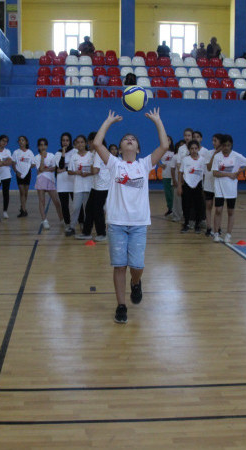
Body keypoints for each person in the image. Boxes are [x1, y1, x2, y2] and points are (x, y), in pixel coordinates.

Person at [91, 108, 169, 324]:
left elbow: (164, 146)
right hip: (116, 223)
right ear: (121, 147)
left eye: (133, 139)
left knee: (137, 266)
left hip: (138, 224)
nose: (129, 140)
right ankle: (121, 306)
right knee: (119, 266)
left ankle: (136, 283)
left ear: (138, 148)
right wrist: (107, 122)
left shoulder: (144, 165)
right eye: (125, 139)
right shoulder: (114, 163)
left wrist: (158, 121)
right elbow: (97, 144)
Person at [208, 134, 246, 244]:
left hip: (231, 189)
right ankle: (216, 233)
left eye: (228, 145)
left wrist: (238, 172)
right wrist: (229, 175)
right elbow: (215, 173)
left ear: (231, 145)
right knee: (218, 210)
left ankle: (228, 234)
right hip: (219, 187)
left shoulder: (236, 156)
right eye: (224, 145)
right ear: (222, 146)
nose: (226, 148)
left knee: (230, 211)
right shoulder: (217, 157)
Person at [77, 134, 112, 242]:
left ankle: (102, 233)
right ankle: (86, 232)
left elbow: (95, 170)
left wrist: (87, 171)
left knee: (97, 210)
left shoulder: (98, 153)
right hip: (96, 185)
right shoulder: (97, 153)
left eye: (89, 142)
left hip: (102, 186)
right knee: (89, 208)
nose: (88, 144)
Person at [33, 137, 64, 230]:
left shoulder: (51, 155)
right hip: (41, 179)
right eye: (41, 145)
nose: (43, 147)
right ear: (38, 146)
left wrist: (44, 169)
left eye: (44, 145)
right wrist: (42, 157)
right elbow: (40, 169)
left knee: (56, 201)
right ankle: (44, 220)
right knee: (42, 201)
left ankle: (62, 219)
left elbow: (54, 168)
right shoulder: (36, 157)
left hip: (50, 180)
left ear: (47, 146)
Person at [66, 135, 93, 236]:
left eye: (82, 142)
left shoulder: (91, 155)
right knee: (76, 207)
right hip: (78, 186)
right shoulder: (74, 156)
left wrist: (88, 173)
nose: (80, 144)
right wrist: (76, 172)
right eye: (78, 142)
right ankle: (72, 227)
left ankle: (87, 227)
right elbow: (69, 171)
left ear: (85, 143)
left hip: (89, 186)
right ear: (75, 144)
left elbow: (95, 170)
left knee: (88, 208)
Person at [177, 140, 206, 234]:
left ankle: (197, 225)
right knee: (186, 206)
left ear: (198, 149)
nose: (194, 150)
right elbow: (180, 172)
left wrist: (204, 187)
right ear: (189, 149)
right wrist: (179, 186)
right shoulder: (185, 160)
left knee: (198, 206)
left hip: (198, 185)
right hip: (187, 185)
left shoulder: (202, 160)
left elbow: (204, 174)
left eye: (195, 148)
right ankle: (186, 224)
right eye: (192, 148)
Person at [202, 134, 223, 236]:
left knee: (219, 208)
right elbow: (209, 167)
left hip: (219, 184)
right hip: (209, 183)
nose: (213, 143)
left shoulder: (225, 155)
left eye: (215, 141)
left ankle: (218, 227)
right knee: (208, 205)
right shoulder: (208, 153)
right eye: (213, 140)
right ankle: (209, 227)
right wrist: (215, 154)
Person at [55, 132, 76, 232]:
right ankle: (67, 223)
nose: (65, 142)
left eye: (67, 140)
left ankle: (80, 222)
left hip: (73, 182)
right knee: (64, 205)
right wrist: (63, 153)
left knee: (76, 204)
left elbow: (74, 167)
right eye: (63, 140)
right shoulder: (58, 153)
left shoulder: (75, 152)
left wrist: (64, 169)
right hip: (62, 183)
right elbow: (61, 165)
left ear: (70, 141)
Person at [0, 134, 14, 221]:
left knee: (6, 193)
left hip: (6, 175)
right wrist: (4, 162)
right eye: (2, 140)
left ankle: (5, 210)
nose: (4, 142)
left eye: (6, 141)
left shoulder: (7, 151)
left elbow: (10, 161)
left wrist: (1, 162)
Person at [12, 135, 35, 218]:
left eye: (23, 140)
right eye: (20, 140)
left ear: (26, 142)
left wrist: (28, 167)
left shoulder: (30, 152)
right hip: (19, 174)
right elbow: (13, 163)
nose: (21, 142)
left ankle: (23, 207)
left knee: (25, 192)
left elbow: (33, 164)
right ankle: (23, 210)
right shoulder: (16, 152)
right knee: (21, 192)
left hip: (27, 174)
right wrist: (16, 172)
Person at [157, 138, 177, 218]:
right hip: (165, 175)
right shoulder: (162, 151)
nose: (167, 141)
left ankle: (176, 210)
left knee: (174, 194)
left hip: (174, 176)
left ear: (171, 141)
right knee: (168, 194)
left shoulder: (174, 152)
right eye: (166, 140)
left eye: (168, 140)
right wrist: (160, 165)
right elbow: (156, 158)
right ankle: (170, 209)